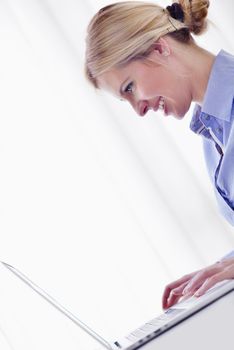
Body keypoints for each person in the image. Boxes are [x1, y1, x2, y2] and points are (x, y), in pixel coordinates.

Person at [84, 0, 234, 310]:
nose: (138, 108)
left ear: (160, 48)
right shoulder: (211, 135)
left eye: (130, 87)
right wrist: (222, 267)